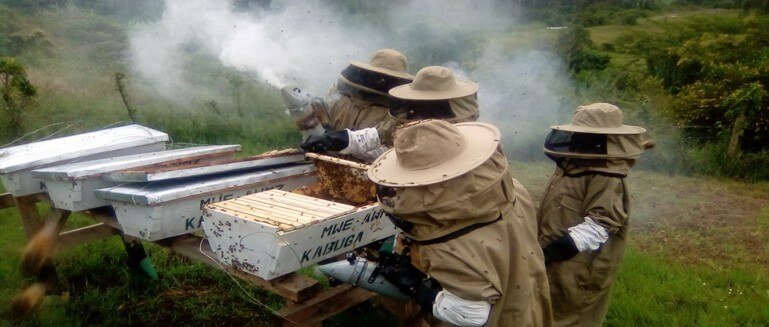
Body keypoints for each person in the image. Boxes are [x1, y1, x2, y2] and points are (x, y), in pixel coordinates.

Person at [368, 119, 553, 326]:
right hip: (527, 298)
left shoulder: (449, 244)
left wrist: (420, 288)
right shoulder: (512, 189)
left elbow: (472, 314)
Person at [537, 103, 649, 326]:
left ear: (604, 139)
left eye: (587, 136)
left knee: (569, 316)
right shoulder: (572, 165)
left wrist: (551, 251)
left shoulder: (608, 176)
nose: (579, 140)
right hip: (553, 260)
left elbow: (600, 225)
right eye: (579, 134)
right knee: (545, 312)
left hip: (578, 266)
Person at [302, 65, 480, 161]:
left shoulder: (471, 136)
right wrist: (339, 139)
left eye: (430, 103)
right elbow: (377, 134)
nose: (422, 110)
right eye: (421, 102)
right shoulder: (407, 121)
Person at [300, 48, 413, 162]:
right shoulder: (340, 93)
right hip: (324, 162)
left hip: (367, 173)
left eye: (388, 78)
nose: (382, 81)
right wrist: (321, 131)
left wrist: (343, 142)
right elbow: (319, 126)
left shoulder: (400, 114)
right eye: (378, 76)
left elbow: (391, 153)